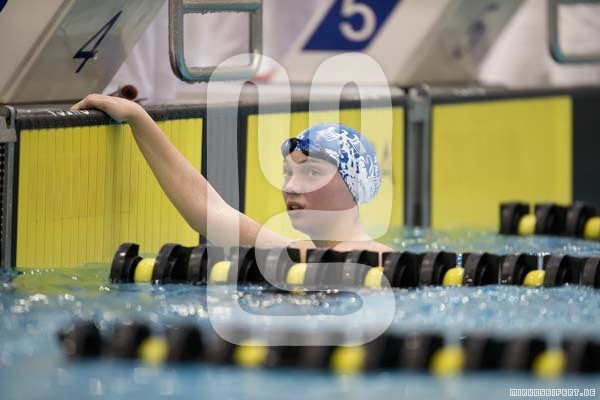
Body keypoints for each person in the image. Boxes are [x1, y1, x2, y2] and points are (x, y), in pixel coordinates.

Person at [71, 94, 392, 259]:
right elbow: (209, 212)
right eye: (287, 173)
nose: (292, 187)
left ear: (354, 187)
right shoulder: (298, 254)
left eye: (312, 172)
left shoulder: (379, 261)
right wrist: (137, 117)